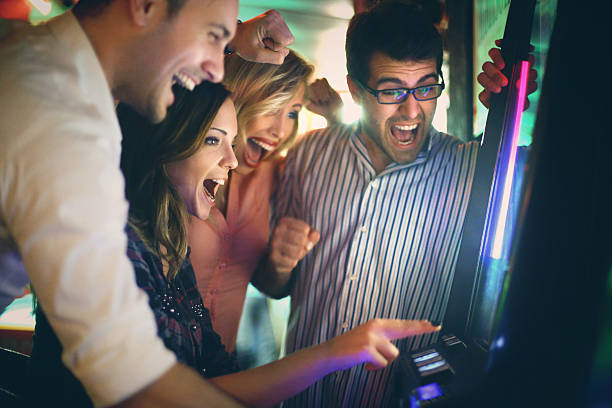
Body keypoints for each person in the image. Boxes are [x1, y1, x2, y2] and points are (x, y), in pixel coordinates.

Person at [0, 0, 296, 406]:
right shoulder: (62, 119)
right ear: (144, 7)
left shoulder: (45, 69)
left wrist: (225, 31)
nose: (216, 67)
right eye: (212, 36)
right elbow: (127, 370)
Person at [255, 2, 538, 407]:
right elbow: (272, 285)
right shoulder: (306, 155)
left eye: (425, 88)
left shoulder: (473, 170)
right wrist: (279, 264)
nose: (411, 111)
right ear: (354, 89)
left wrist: (514, 107)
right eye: (391, 91)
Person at [112, 81, 437, 407]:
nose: (232, 160)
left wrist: (337, 124)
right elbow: (168, 396)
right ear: (164, 139)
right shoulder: (119, 249)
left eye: (294, 112)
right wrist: (331, 353)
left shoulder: (171, 245)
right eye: (213, 139)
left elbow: (212, 371)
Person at [186, 50, 343, 355]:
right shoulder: (180, 164)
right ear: (237, 97)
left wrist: (281, 263)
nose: (280, 131)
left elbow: (269, 285)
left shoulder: (276, 174)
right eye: (272, 107)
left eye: (293, 112)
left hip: (221, 375)